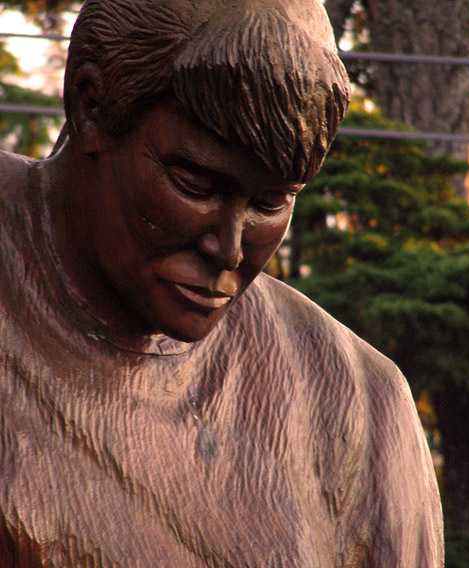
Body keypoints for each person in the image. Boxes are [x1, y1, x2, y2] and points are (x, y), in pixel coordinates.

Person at [0, 0, 444, 566]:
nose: (230, 248)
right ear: (91, 106)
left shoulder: (360, 407)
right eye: (193, 183)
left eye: (269, 203)